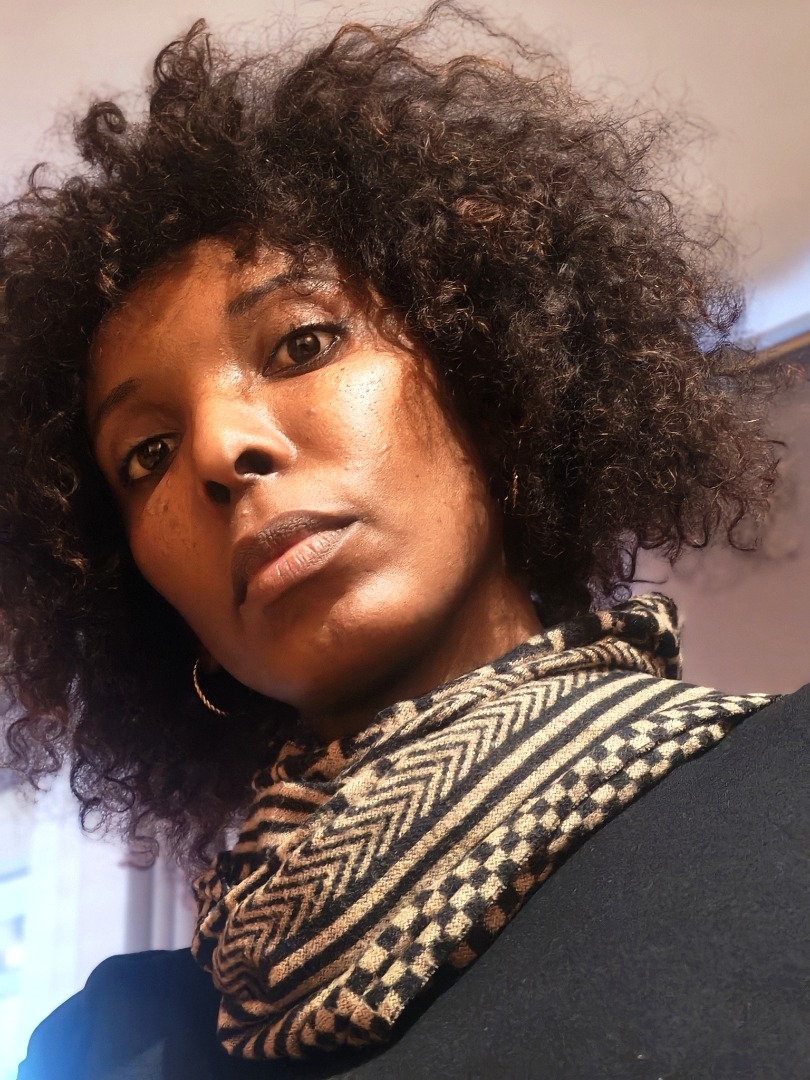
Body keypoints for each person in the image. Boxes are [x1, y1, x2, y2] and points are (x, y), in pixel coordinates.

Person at [2, 8, 807, 1078]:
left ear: (489, 380)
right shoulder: (112, 1045)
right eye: (146, 453)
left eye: (303, 342)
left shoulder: (789, 795)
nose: (219, 450)